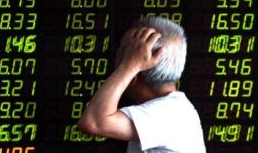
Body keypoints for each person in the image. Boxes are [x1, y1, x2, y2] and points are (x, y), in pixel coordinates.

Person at [77, 17, 206, 153]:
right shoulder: (174, 109)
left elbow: (93, 122)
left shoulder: (171, 113)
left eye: (127, 54)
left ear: (136, 71)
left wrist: (129, 66)